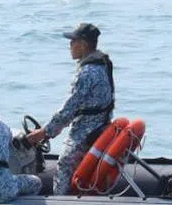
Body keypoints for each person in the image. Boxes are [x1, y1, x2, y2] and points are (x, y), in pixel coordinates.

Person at [24, 23, 115, 195]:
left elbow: (69, 109)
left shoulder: (87, 72)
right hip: (101, 123)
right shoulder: (103, 64)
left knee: (64, 163)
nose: (70, 46)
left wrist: (45, 132)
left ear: (83, 44)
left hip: (87, 130)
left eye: (73, 41)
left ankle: (61, 203)